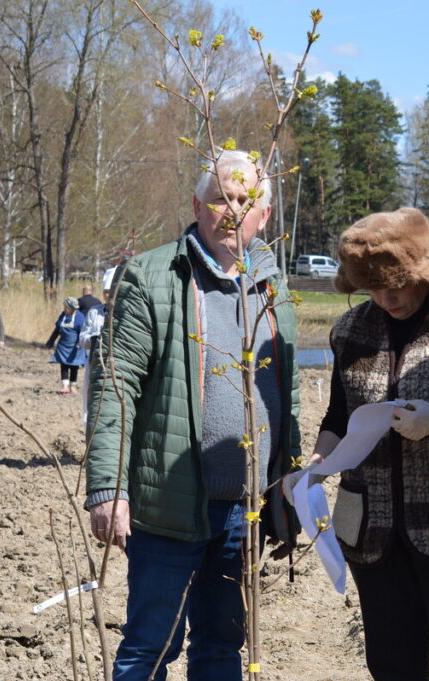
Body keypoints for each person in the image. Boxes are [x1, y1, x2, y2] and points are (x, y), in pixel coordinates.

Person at [84, 149, 301, 681]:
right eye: (219, 198)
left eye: (245, 202)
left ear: (265, 216)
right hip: (169, 506)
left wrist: (290, 478)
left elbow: (286, 391)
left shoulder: (273, 286)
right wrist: (108, 486)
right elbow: (116, 386)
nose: (231, 212)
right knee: (149, 649)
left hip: (244, 510)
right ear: (197, 205)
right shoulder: (154, 275)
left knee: (222, 648)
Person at [297, 207, 429, 681]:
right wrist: (318, 462)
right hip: (375, 533)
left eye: (396, 286)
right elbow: (337, 415)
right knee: (392, 666)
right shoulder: (351, 332)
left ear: (422, 272)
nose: (386, 299)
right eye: (372, 289)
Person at [79, 267, 116, 422]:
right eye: (106, 292)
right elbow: (82, 339)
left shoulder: (126, 314)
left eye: (112, 291)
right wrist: (94, 339)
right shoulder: (94, 312)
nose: (109, 295)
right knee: (92, 402)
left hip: (116, 368)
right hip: (94, 365)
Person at [44, 297, 88, 394]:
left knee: (74, 366)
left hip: (76, 347)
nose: (64, 309)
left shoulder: (80, 317)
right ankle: (65, 386)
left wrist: (80, 343)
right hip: (63, 345)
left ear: (72, 308)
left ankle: (73, 385)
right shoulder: (63, 316)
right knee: (64, 365)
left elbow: (83, 332)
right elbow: (57, 330)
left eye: (66, 307)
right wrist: (50, 341)